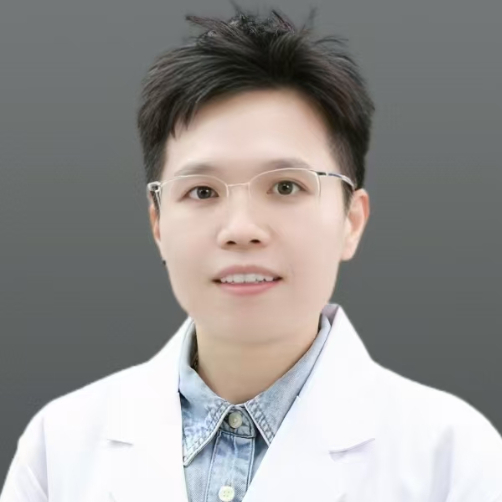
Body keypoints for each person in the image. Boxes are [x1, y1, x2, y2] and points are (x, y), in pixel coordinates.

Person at [1, 4, 502, 502]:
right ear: (157, 224)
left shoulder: (455, 459)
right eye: (202, 191)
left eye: (285, 186)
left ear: (351, 221)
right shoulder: (59, 449)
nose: (241, 230)